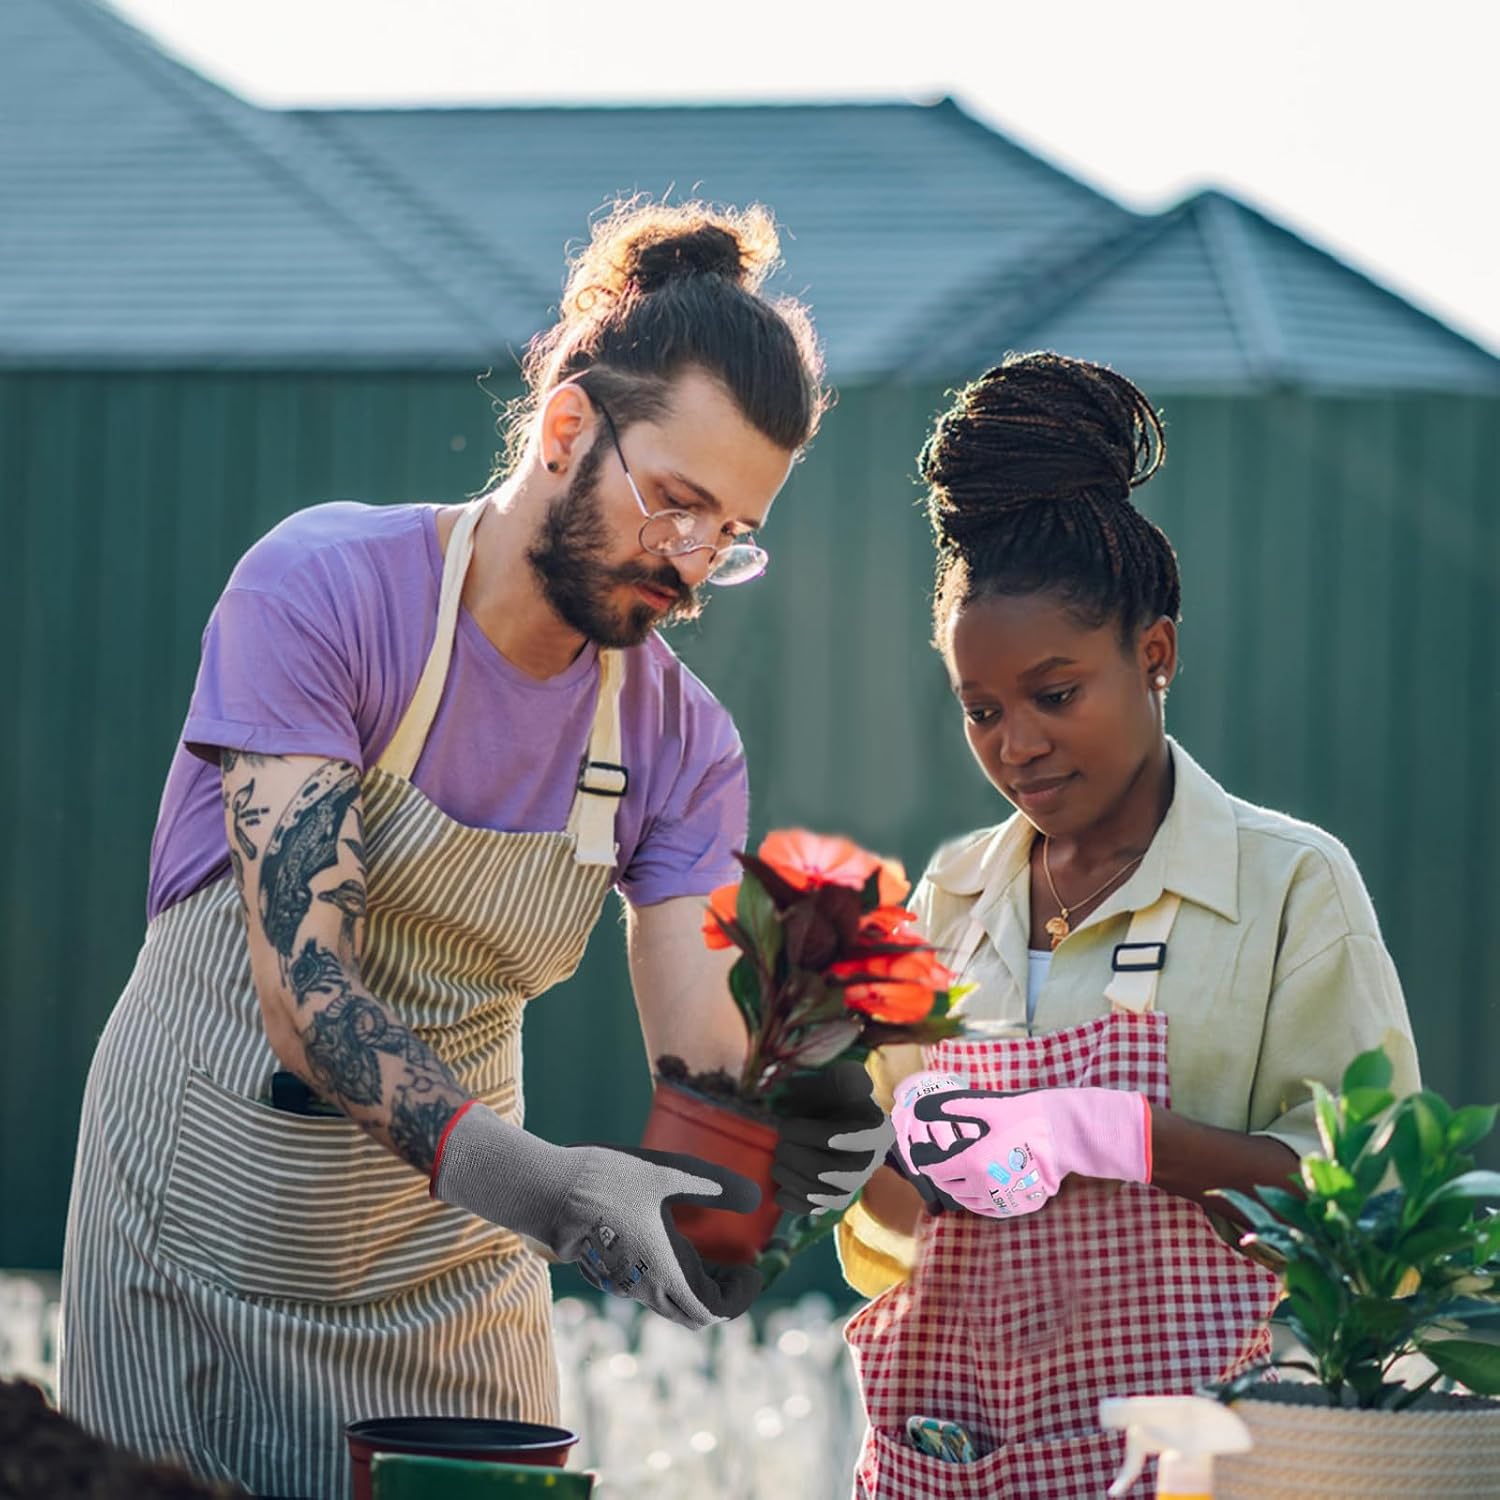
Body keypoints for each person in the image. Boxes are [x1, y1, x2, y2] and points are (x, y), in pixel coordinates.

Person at [59, 200, 890, 1500]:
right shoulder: (323, 594)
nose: (686, 564)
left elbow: (696, 1033)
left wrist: (782, 1121)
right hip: (205, 1233)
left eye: (727, 538)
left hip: (454, 1266)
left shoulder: (680, 741)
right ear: (566, 429)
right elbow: (307, 997)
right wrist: (558, 1198)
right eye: (674, 504)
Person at [836, 352, 1420, 1499]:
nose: (1018, 745)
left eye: (1058, 695)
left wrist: (1125, 1139)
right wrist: (901, 1167)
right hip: (952, 1465)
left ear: (1153, 655)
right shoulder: (947, 904)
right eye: (983, 711)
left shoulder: (1290, 886)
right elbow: (884, 1250)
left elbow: (1376, 1227)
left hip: (1208, 1465)